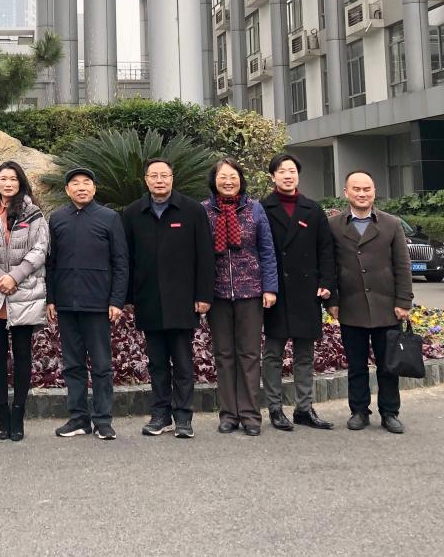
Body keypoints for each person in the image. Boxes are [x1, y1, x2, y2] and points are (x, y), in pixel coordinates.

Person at [122, 158, 214, 440]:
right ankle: (160, 414)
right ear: (146, 180)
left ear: (172, 178)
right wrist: (128, 297)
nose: (159, 180)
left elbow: (205, 256)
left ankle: (183, 417)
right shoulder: (133, 213)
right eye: (154, 176)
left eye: (164, 175)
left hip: (183, 300)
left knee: (183, 362)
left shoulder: (192, 210)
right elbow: (126, 258)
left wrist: (203, 295)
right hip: (149, 299)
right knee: (157, 363)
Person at [46, 167, 129, 441]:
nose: (81, 187)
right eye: (75, 183)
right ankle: (78, 418)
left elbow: (121, 262)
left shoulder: (109, 218)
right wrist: (51, 298)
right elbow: (51, 262)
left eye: (86, 183)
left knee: (102, 365)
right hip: (67, 304)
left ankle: (103, 420)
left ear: (94, 188)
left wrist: (116, 300)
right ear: (67, 190)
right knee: (73, 365)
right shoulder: (57, 218)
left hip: (98, 304)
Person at [328, 170, 413, 434]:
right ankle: (359, 411)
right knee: (356, 365)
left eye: (367, 189)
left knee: (388, 366)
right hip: (350, 305)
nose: (362, 194)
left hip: (386, 306)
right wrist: (332, 300)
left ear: (374, 191)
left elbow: (402, 265)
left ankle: (390, 412)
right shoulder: (333, 225)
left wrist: (404, 300)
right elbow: (329, 266)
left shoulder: (391, 224)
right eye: (356, 189)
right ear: (346, 193)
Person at [0, 161, 49, 442]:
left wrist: (15, 276)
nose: (8, 183)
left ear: (21, 182)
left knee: (22, 355)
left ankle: (18, 414)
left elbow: (41, 248)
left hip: (24, 291)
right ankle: (2, 414)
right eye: (3, 178)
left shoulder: (33, 212)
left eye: (13, 179)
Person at [260, 154, 336, 432]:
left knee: (305, 353)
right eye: (282, 171)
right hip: (276, 292)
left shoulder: (312, 209)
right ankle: (275, 408)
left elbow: (325, 249)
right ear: (273, 176)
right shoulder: (262, 208)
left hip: (307, 291)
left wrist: (326, 282)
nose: (287, 175)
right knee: (273, 354)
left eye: (292, 170)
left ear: (298, 175)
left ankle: (304, 408)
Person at [202, 158, 278, 437]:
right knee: (223, 355)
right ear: (214, 180)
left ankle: (250, 415)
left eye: (233, 176)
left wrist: (270, 288)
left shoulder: (254, 209)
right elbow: (198, 253)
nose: (228, 181)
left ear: (240, 179)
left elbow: (267, 250)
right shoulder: (204, 211)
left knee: (249, 354)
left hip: (251, 292)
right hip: (217, 293)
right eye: (222, 176)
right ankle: (228, 414)